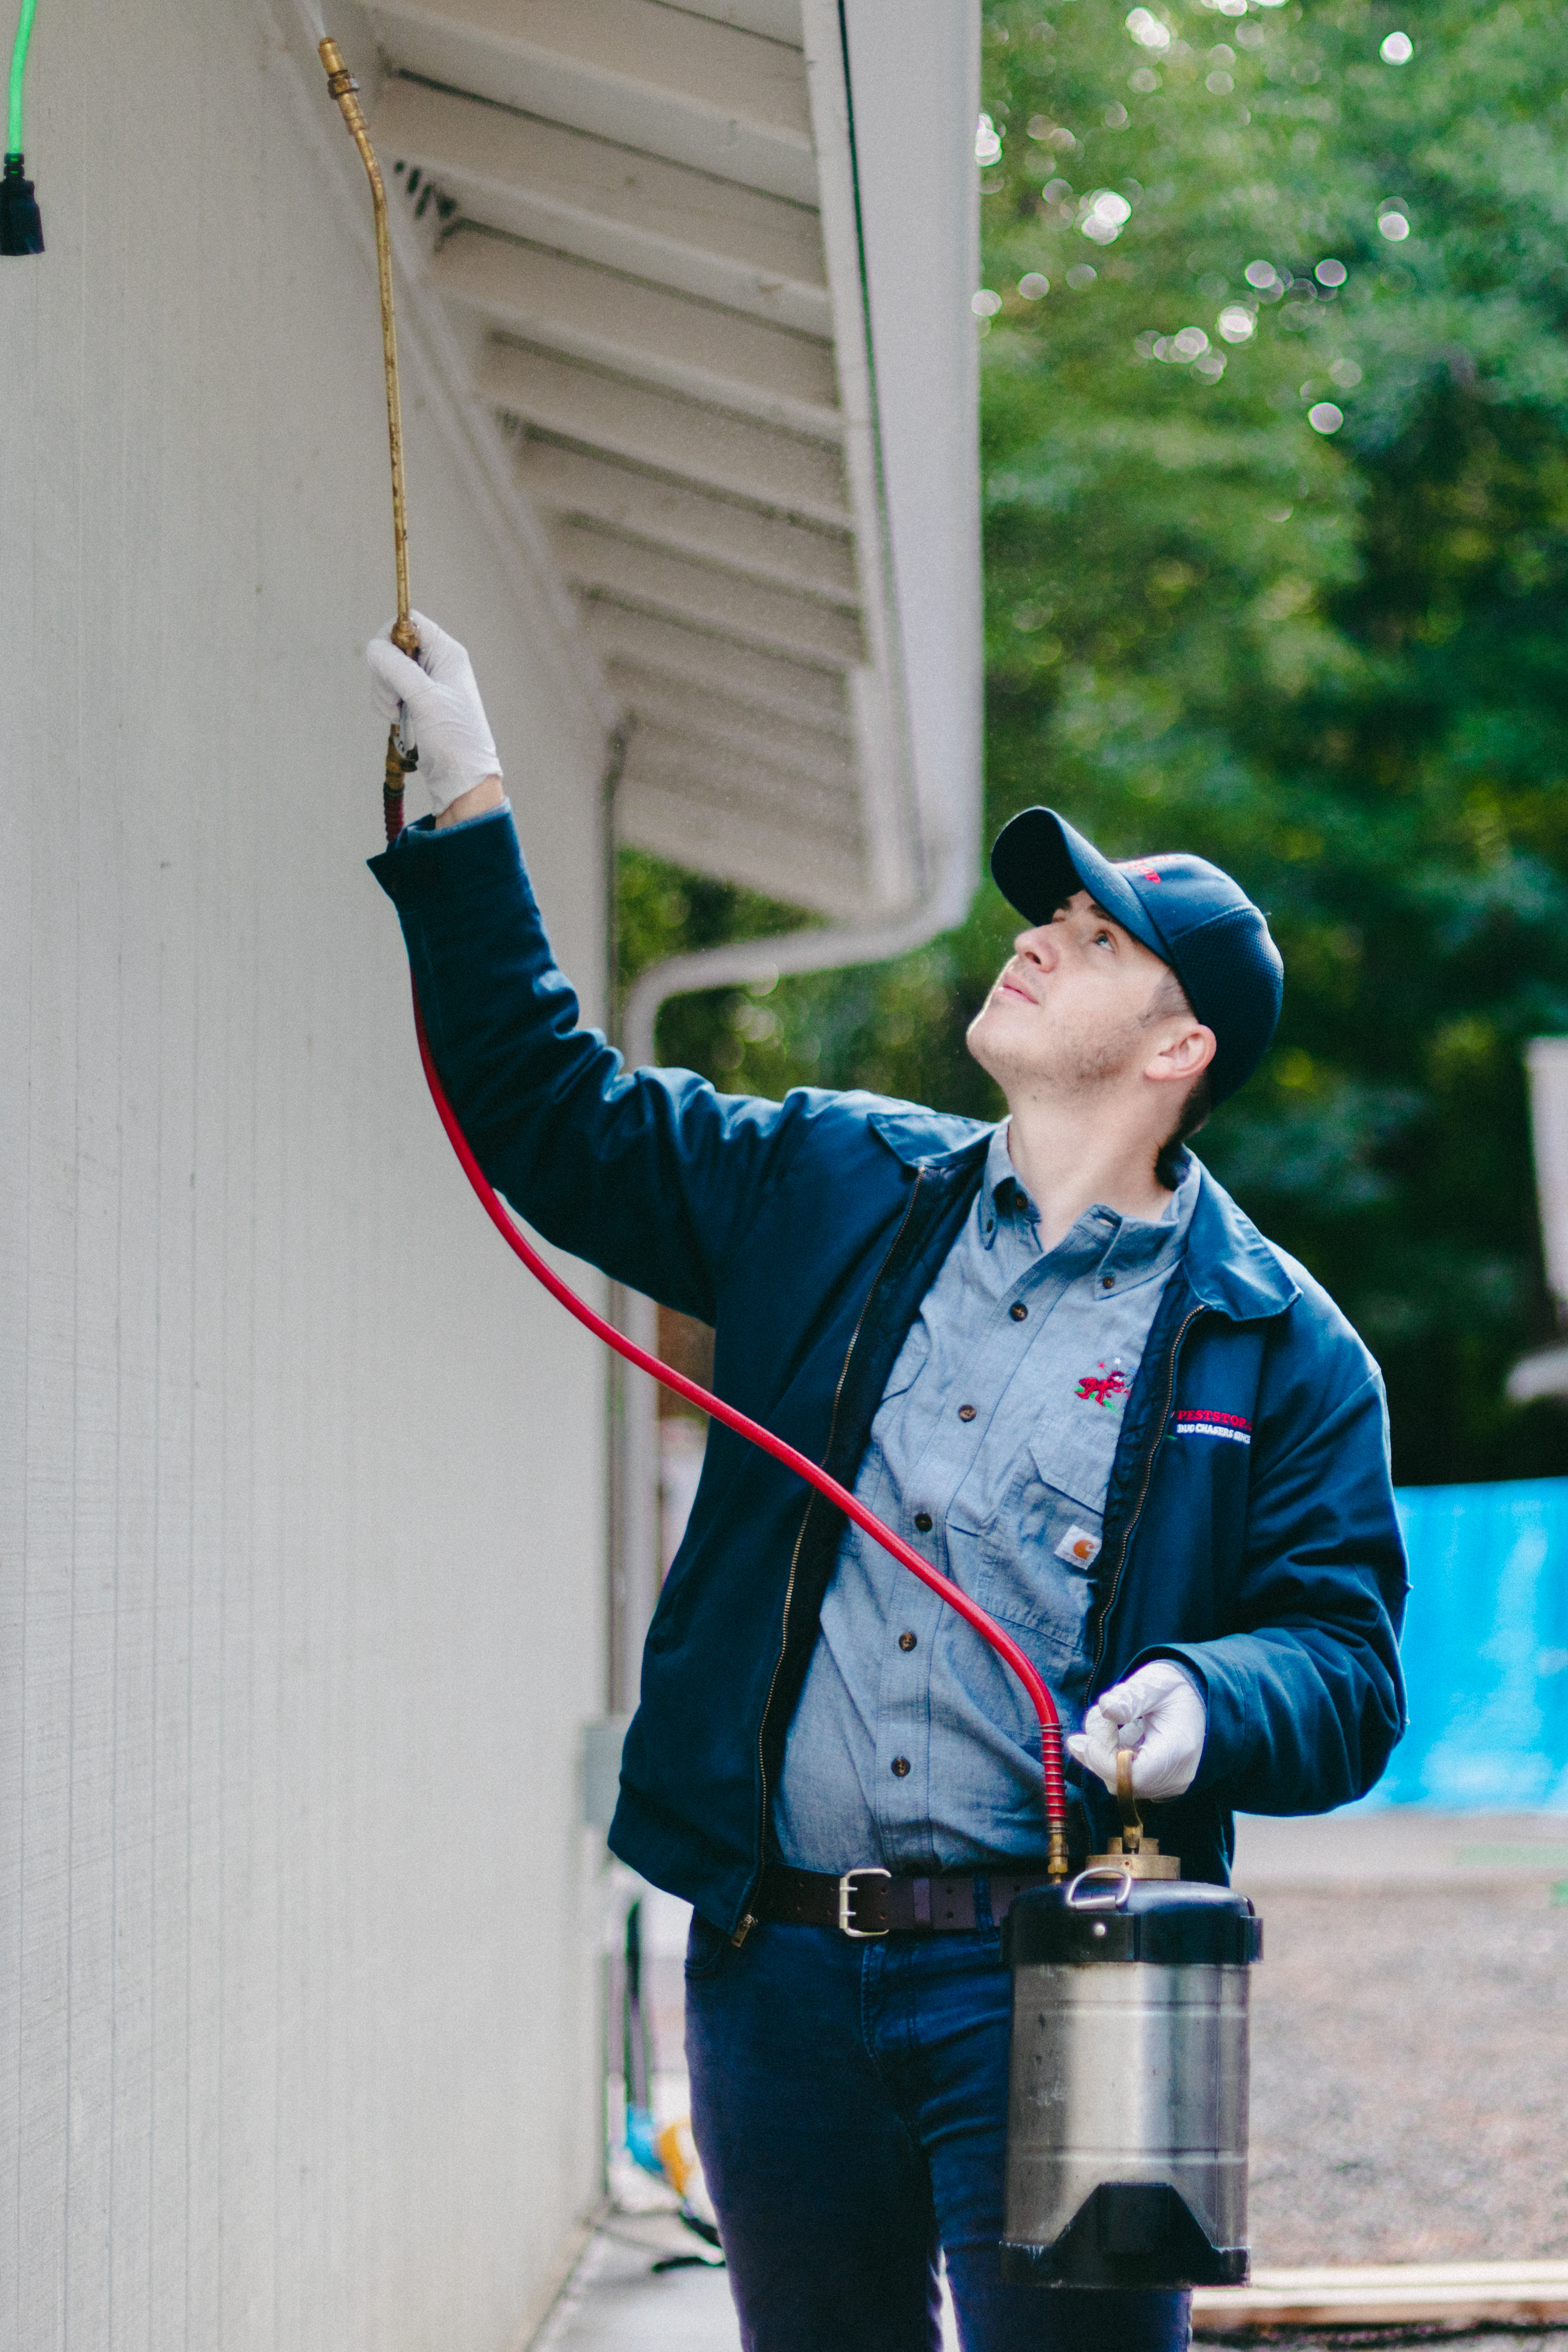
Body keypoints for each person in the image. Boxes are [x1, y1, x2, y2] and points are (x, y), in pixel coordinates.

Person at [365, 616, 1408, 2352]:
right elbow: (550, 1106)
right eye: (1044, 917)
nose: (1035, 944)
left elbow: (1350, 1668)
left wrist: (1205, 1696)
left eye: (1089, 942)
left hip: (1089, 1970)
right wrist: (464, 805)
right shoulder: (825, 1181)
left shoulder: (1281, 1345)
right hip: (776, 1969)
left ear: (1176, 1053)